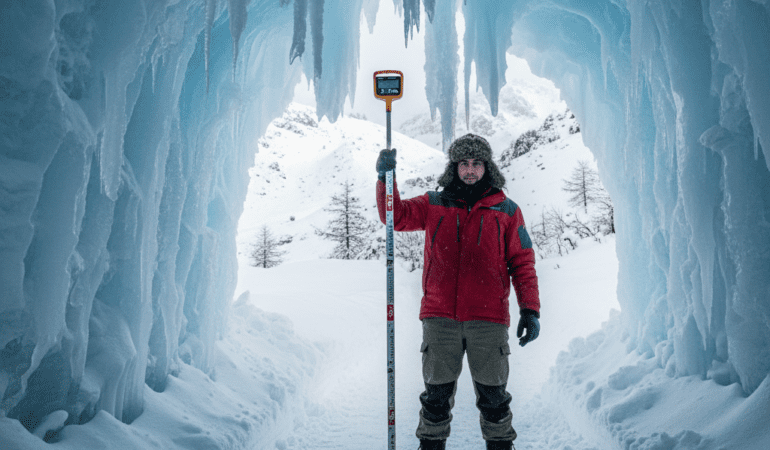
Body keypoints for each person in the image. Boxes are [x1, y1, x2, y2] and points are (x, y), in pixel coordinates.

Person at [375, 133, 540, 450]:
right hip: (439, 319)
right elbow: (392, 216)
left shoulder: (507, 210)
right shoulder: (433, 204)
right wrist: (385, 179)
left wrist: (530, 310)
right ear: (454, 167)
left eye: (477, 163)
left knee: (494, 399)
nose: (470, 170)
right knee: (435, 399)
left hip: (488, 320)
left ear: (487, 167)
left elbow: (523, 262)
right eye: (464, 163)